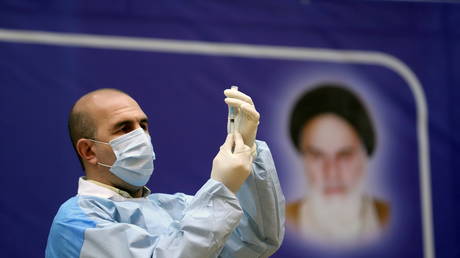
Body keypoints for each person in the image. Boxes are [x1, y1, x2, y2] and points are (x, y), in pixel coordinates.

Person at [45, 88, 285, 257]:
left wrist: (247, 148)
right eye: (124, 128)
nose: (141, 136)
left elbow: (256, 241)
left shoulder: (173, 207)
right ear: (89, 150)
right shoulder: (76, 223)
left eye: (143, 125)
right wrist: (221, 187)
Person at [286, 84, 390, 245]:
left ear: (364, 155)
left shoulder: (388, 218)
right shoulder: (280, 222)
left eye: (344, 155)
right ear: (303, 159)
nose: (332, 172)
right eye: (317, 156)